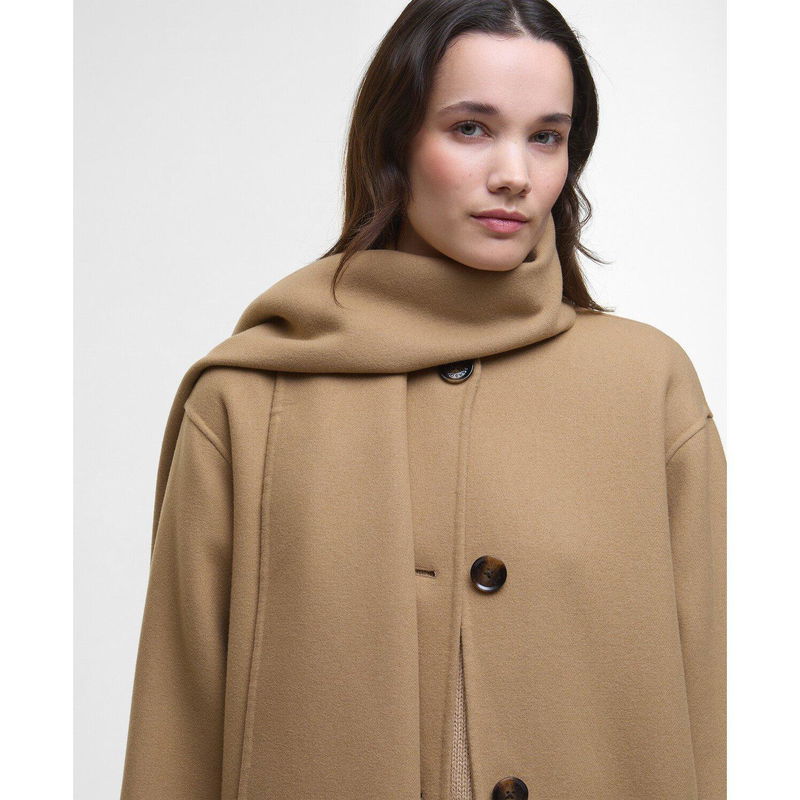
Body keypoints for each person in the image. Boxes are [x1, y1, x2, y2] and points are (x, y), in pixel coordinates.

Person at [119, 1, 726, 799]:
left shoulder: (649, 389)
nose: (514, 174)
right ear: (395, 139)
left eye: (546, 137)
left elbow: (706, 715)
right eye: (471, 128)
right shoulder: (247, 400)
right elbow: (177, 730)